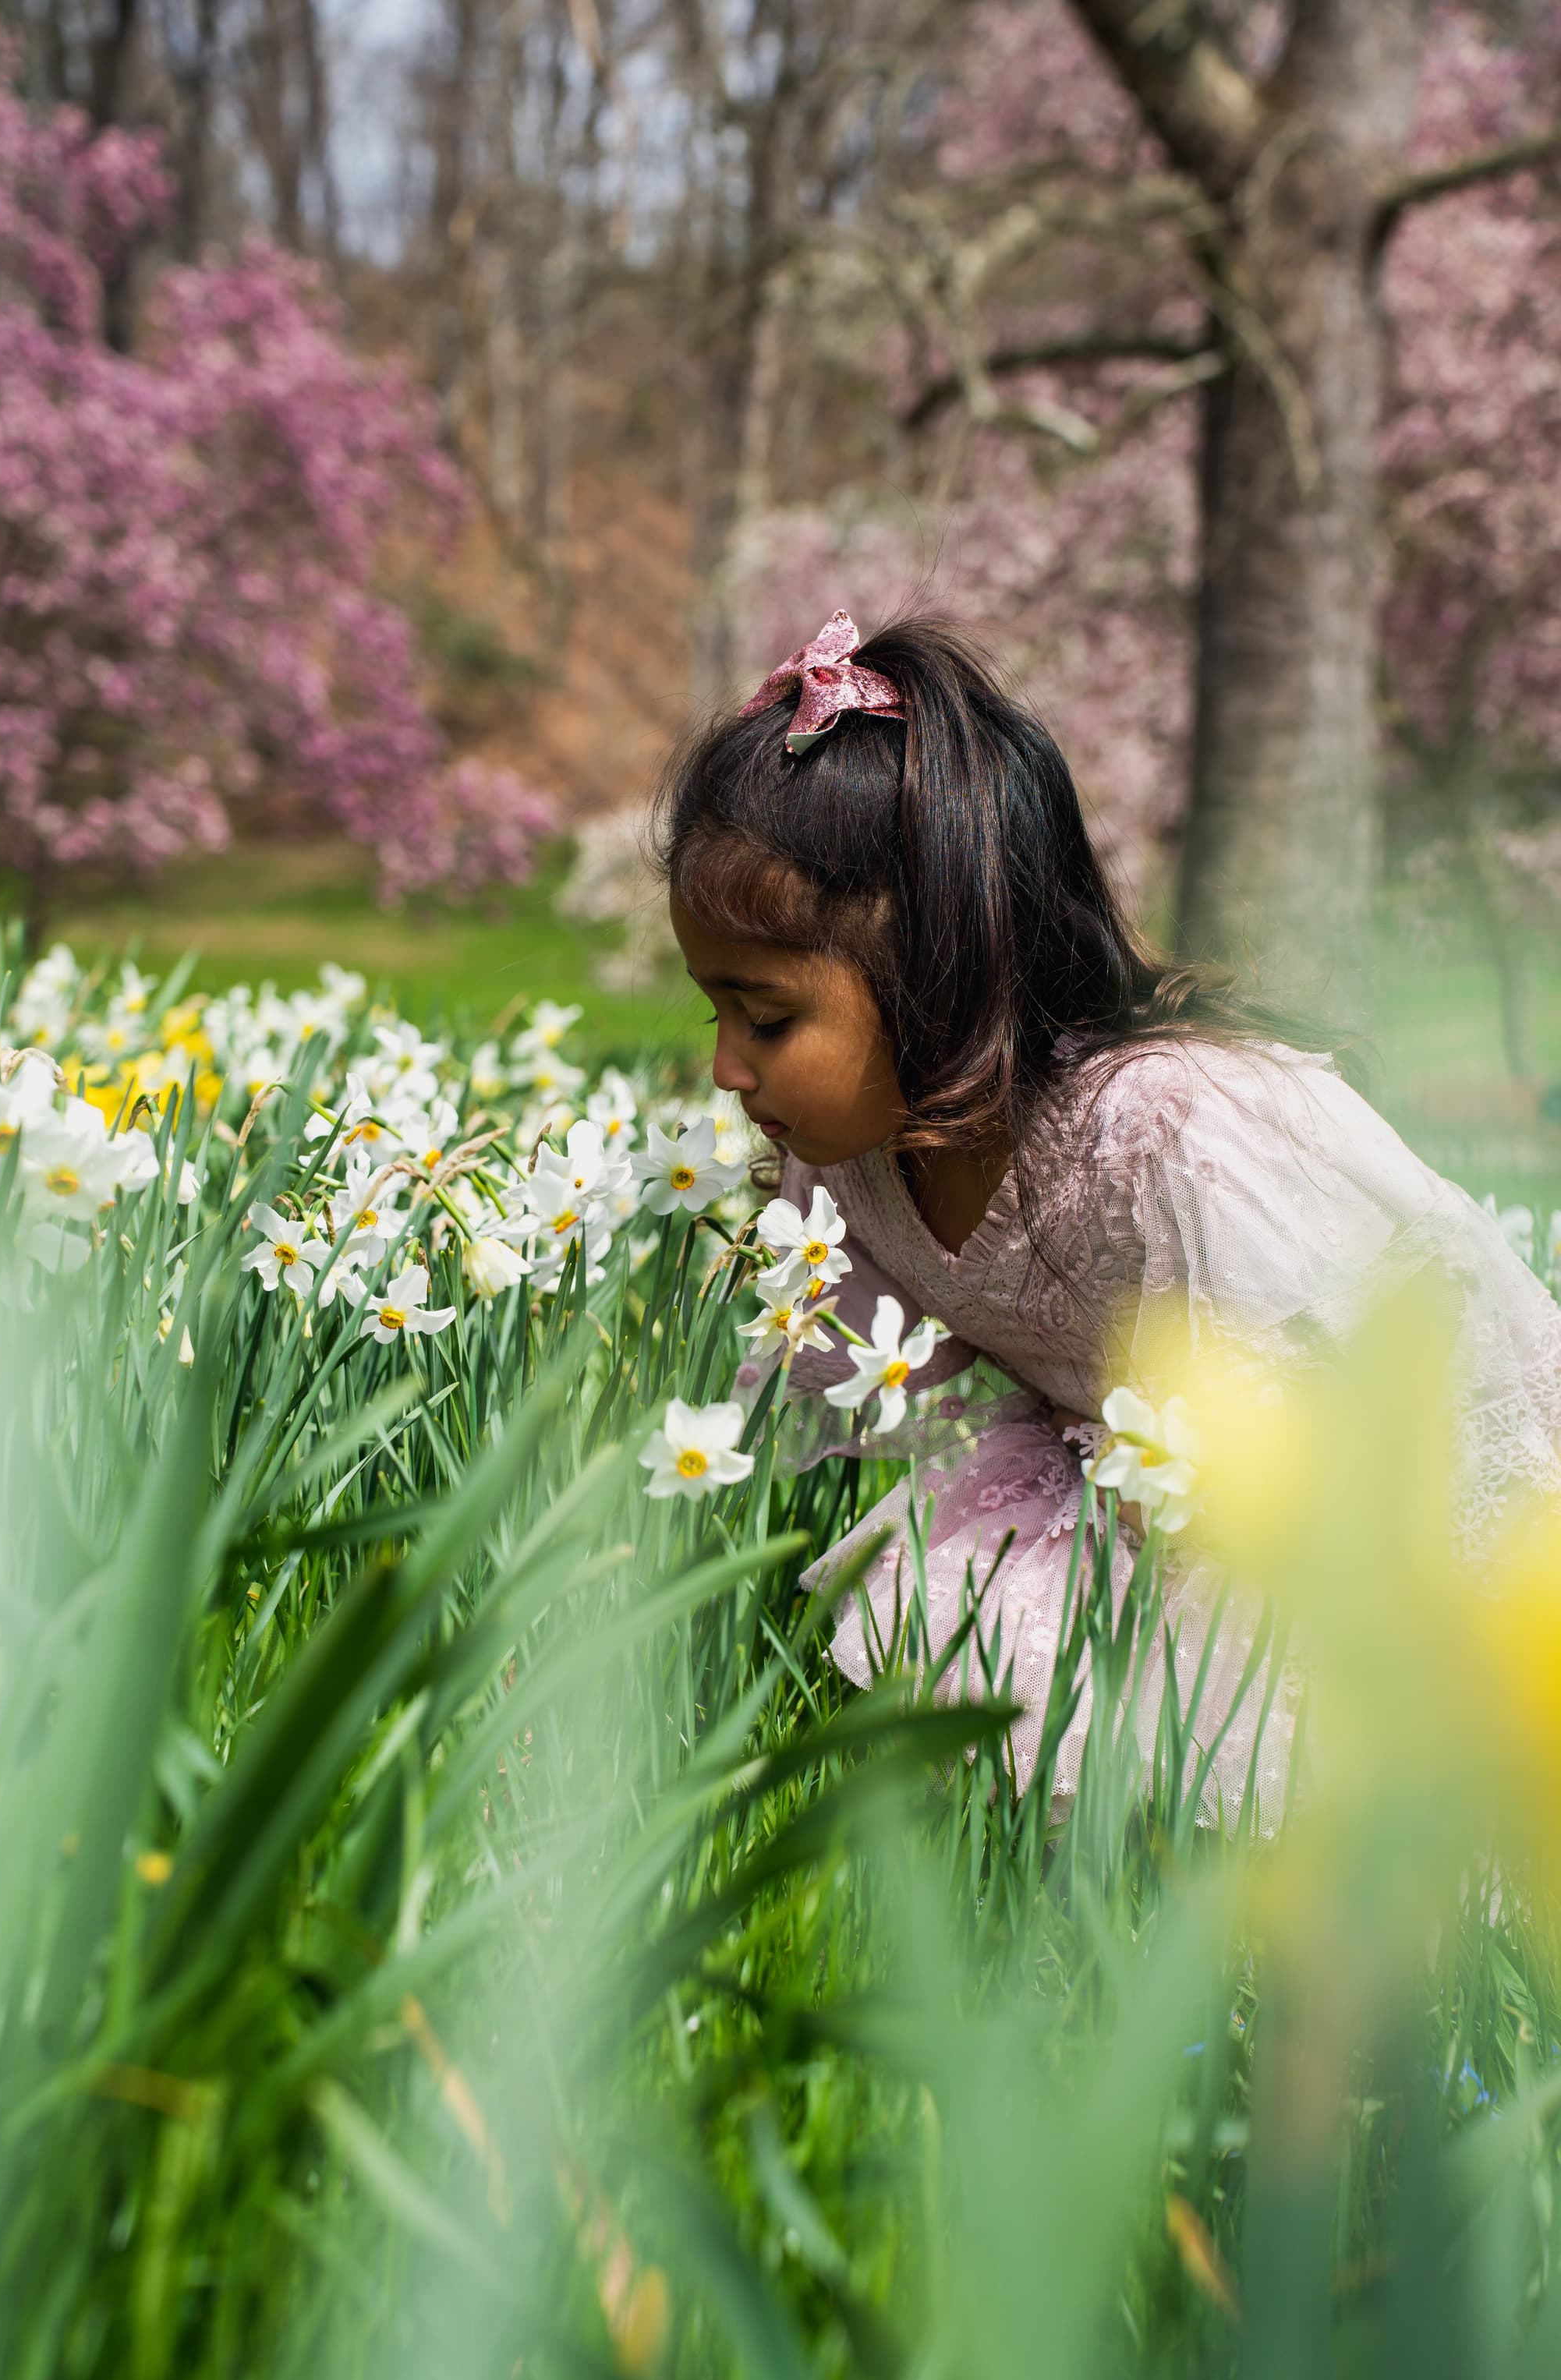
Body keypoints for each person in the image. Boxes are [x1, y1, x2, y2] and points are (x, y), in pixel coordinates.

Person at [655, 610, 1561, 1820]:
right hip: (1156, 1477)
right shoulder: (851, 1163)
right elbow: (897, 1392)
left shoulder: (1171, 1128)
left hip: (1392, 1493)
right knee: (960, 1619)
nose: (726, 1068)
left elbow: (1342, 1404)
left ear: (941, 972)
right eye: (715, 1015)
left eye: (765, 1019)